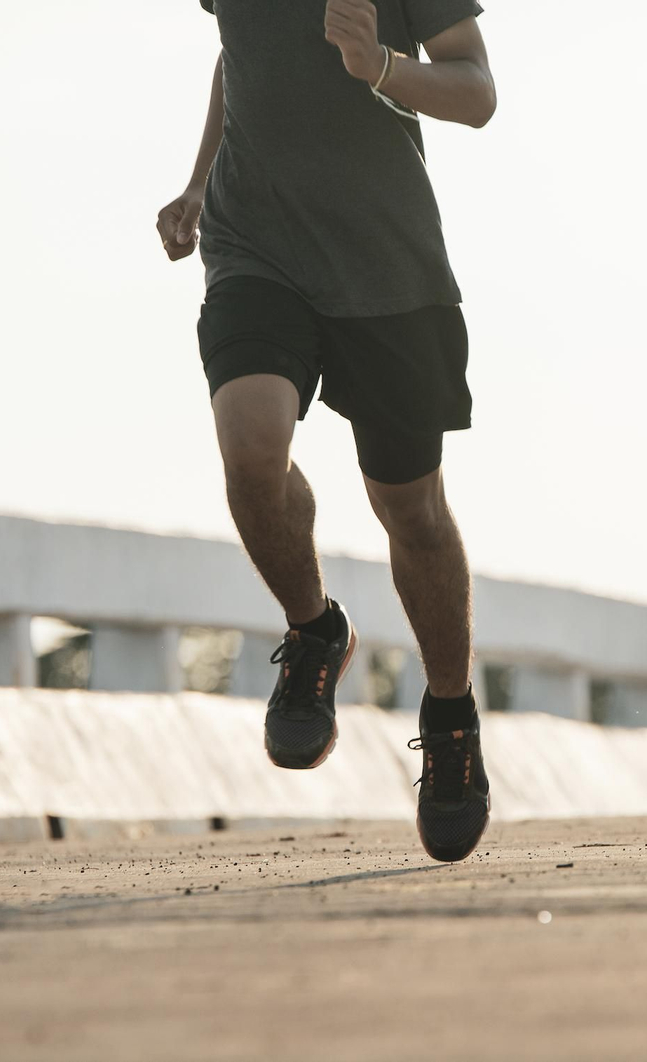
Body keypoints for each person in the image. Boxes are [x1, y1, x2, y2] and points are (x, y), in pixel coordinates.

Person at [156, 0, 495, 863]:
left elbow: (476, 90)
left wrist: (382, 67)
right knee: (252, 453)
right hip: (255, 248)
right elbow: (241, 59)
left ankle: (450, 717)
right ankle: (315, 630)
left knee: (411, 511)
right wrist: (199, 183)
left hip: (388, 268)